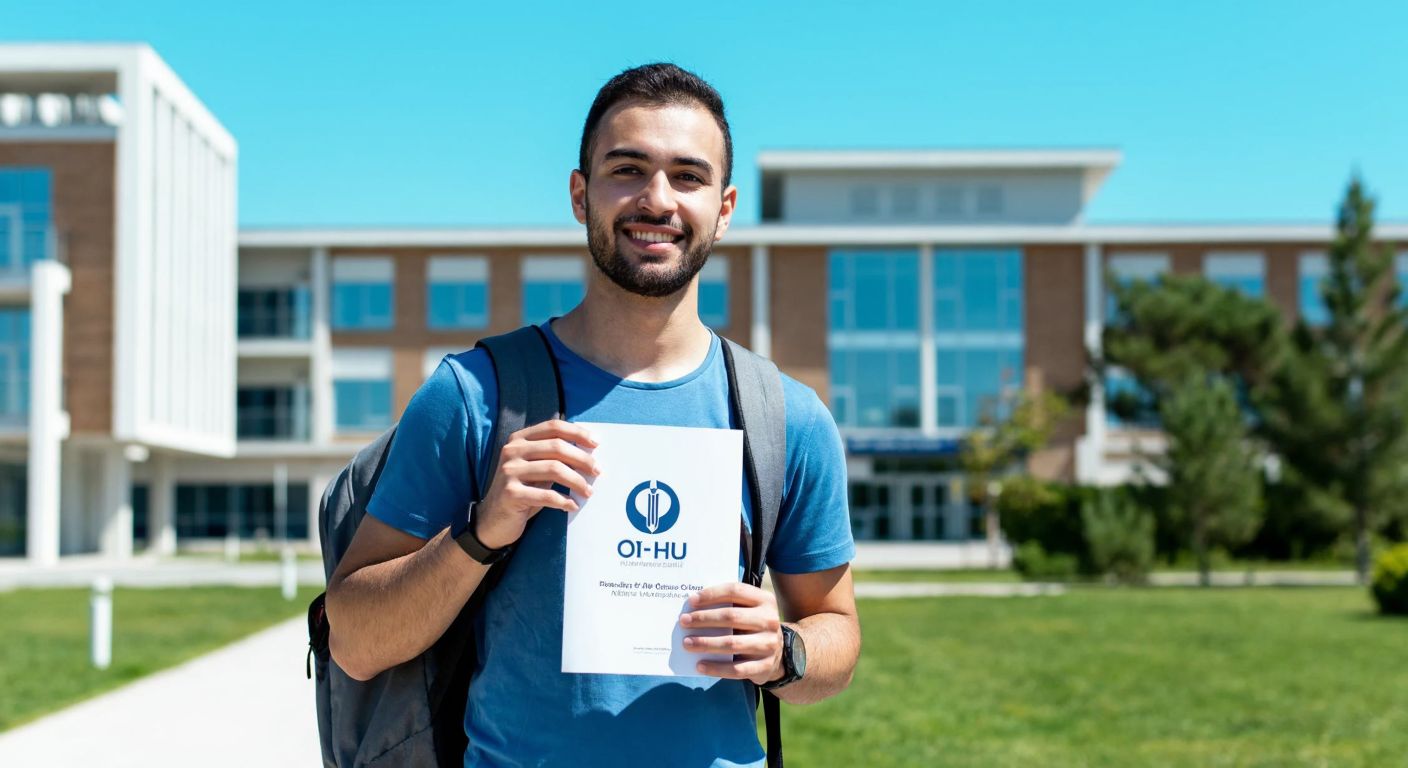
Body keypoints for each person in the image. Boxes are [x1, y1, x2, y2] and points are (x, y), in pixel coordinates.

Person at [325, 62, 860, 768]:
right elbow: (355, 644)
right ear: (581, 195)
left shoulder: (785, 418)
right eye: (627, 169)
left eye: (688, 176)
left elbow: (836, 632)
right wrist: (483, 530)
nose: (657, 199)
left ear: (725, 209)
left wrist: (786, 649)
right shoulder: (476, 396)